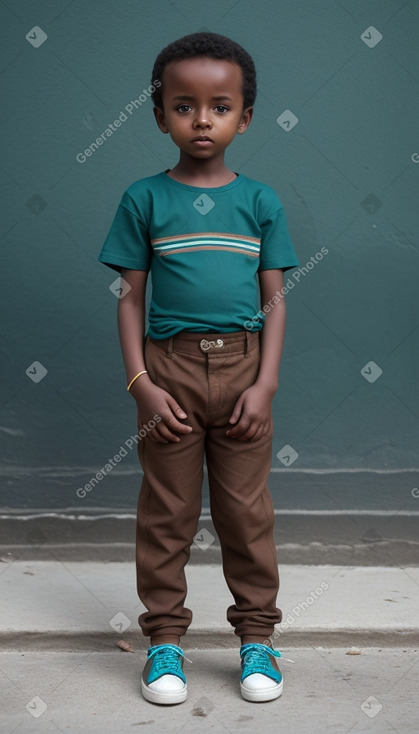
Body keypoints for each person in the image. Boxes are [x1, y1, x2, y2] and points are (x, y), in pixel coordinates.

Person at [98, 31, 299, 705]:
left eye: (219, 105)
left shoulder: (261, 202)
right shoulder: (144, 199)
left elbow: (273, 302)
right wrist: (141, 385)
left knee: (246, 514)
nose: (201, 119)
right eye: (184, 106)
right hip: (168, 373)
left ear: (244, 117)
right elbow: (130, 299)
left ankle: (257, 641)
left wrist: (264, 383)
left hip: (243, 370)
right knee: (168, 513)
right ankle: (163, 642)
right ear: (159, 117)